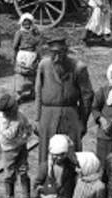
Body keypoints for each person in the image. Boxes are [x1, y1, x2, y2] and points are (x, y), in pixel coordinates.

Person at [34, 36, 93, 177]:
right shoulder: (43, 65)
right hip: (47, 116)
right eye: (53, 53)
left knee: (70, 152)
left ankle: (71, 188)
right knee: (47, 153)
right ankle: (46, 184)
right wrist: (37, 119)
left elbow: (87, 96)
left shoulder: (78, 67)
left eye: (60, 53)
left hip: (70, 115)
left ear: (66, 52)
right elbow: (38, 93)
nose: (57, 57)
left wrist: (82, 122)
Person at [0, 92, 33, 198]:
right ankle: (9, 197)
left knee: (23, 171)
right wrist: (16, 125)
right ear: (7, 112)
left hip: (21, 147)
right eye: (13, 110)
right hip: (9, 150)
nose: (16, 111)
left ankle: (26, 197)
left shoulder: (19, 115)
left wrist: (27, 131)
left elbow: (27, 125)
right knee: (9, 174)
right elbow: (8, 135)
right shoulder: (2, 120)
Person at [11, 13, 42, 101]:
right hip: (22, 56)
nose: (27, 25)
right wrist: (14, 57)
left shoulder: (35, 33)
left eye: (29, 23)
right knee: (20, 74)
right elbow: (14, 46)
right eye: (25, 23)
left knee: (33, 74)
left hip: (32, 56)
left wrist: (39, 57)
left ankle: (33, 92)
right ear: (21, 23)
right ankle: (18, 95)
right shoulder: (19, 33)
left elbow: (38, 44)